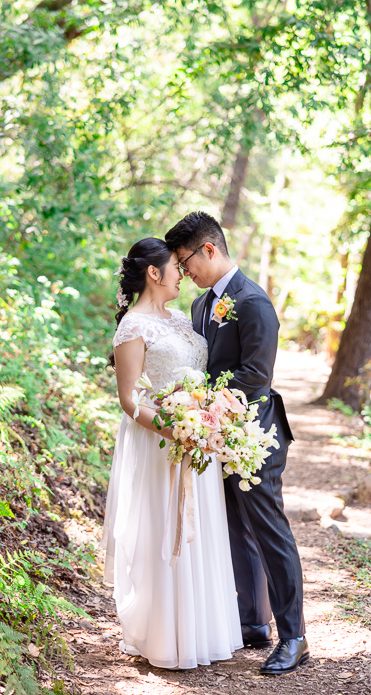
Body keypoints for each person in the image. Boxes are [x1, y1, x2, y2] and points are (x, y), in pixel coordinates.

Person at [165, 213, 309, 676]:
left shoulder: (253, 302)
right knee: (234, 529)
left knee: (269, 532)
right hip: (213, 433)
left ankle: (295, 637)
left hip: (255, 434)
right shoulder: (200, 306)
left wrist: (201, 403)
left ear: (209, 250)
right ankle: (253, 623)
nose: (183, 273)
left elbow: (254, 377)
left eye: (186, 262)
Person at [101, 237, 242, 670]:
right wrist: (177, 430)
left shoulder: (183, 318)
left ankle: (201, 630)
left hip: (197, 439)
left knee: (200, 528)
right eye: (175, 266)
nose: (183, 272)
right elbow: (129, 400)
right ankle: (165, 637)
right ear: (154, 274)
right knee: (165, 532)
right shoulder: (132, 327)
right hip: (161, 441)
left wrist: (207, 421)